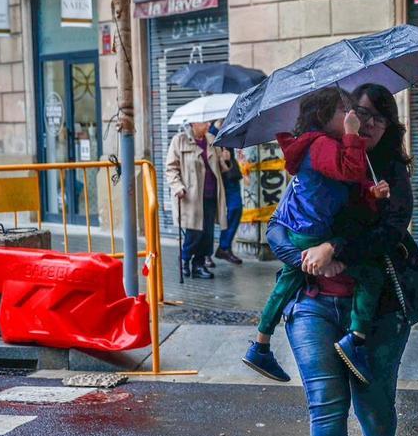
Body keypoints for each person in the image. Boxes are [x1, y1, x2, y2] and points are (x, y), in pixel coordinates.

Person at [267, 83, 418, 436]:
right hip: (314, 301)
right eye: (360, 113)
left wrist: (334, 247)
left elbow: (389, 232)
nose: (369, 123)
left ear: (391, 123)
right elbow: (278, 226)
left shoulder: (391, 172)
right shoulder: (319, 158)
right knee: (325, 403)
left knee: (374, 407)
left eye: (380, 117)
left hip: (377, 304)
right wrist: (303, 259)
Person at [242, 88, 391, 386]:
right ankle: (356, 339)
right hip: (310, 232)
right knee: (371, 275)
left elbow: (341, 186)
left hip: (305, 228)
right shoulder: (321, 144)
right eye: (343, 111)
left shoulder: (321, 144)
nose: (351, 116)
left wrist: (369, 193)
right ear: (323, 117)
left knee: (287, 282)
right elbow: (349, 171)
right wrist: (352, 134)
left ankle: (260, 344)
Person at [164, 119, 229, 279]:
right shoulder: (179, 140)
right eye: (203, 123)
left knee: (207, 233)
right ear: (193, 123)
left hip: (211, 194)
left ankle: (199, 265)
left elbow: (221, 168)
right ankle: (185, 259)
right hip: (191, 196)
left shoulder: (212, 140)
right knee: (194, 233)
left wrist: (226, 159)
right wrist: (177, 186)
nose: (208, 125)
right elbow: (170, 169)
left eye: (208, 122)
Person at [214, 132, 244, 266]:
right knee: (209, 216)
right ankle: (203, 256)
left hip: (231, 176)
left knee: (236, 208)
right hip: (215, 179)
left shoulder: (231, 128)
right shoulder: (211, 132)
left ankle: (224, 247)